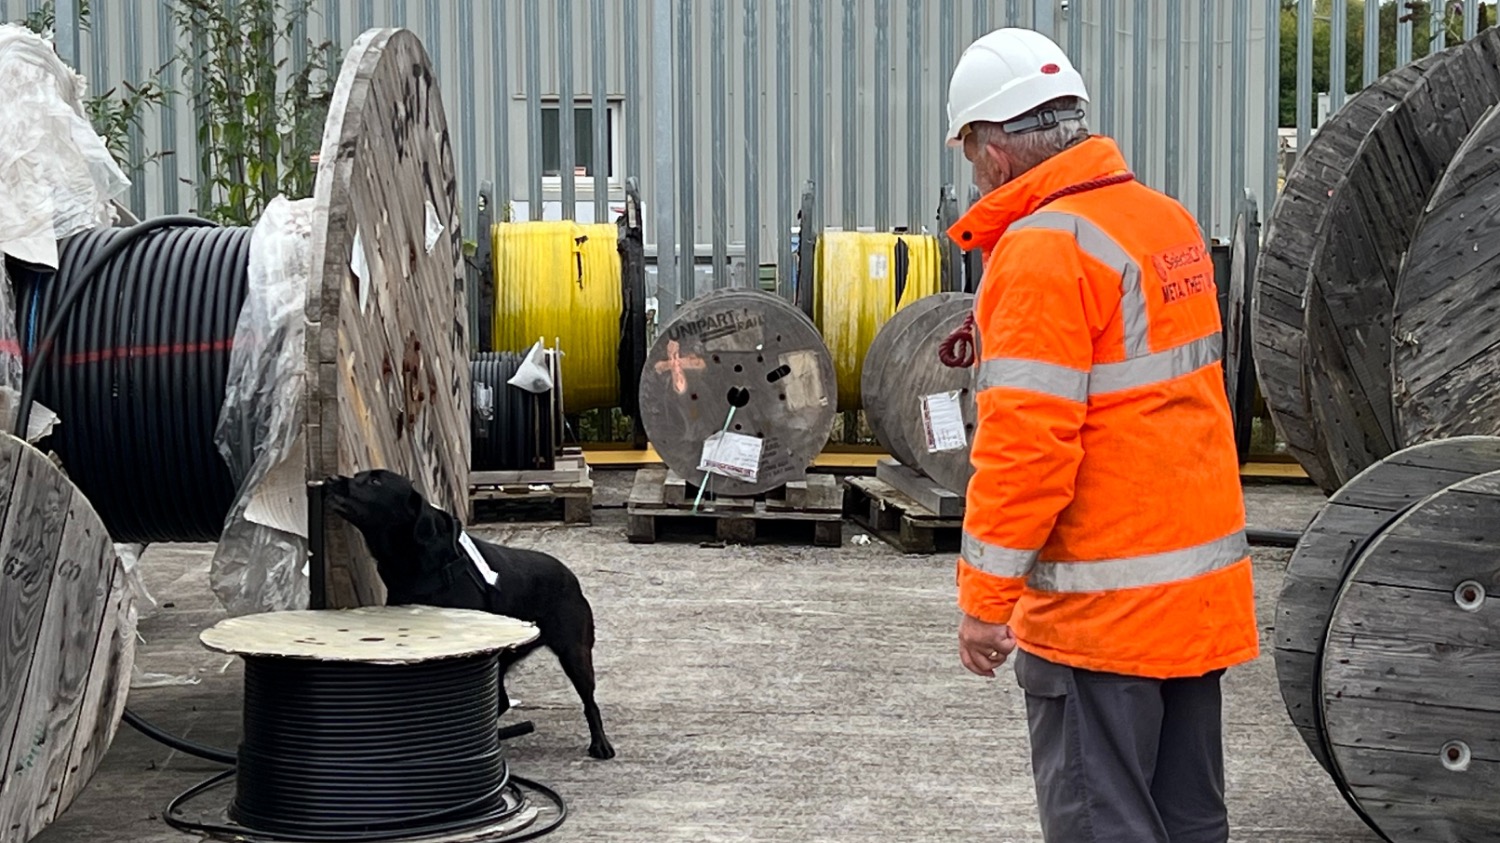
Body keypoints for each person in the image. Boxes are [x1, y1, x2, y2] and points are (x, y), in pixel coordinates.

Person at [941, 27, 1260, 843]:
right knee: (1189, 821)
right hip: (1192, 604)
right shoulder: (1164, 224)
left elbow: (1027, 447)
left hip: (1100, 619)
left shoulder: (1044, 250)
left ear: (997, 149)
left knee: (1103, 825)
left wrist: (985, 602)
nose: (973, 170)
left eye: (970, 148)